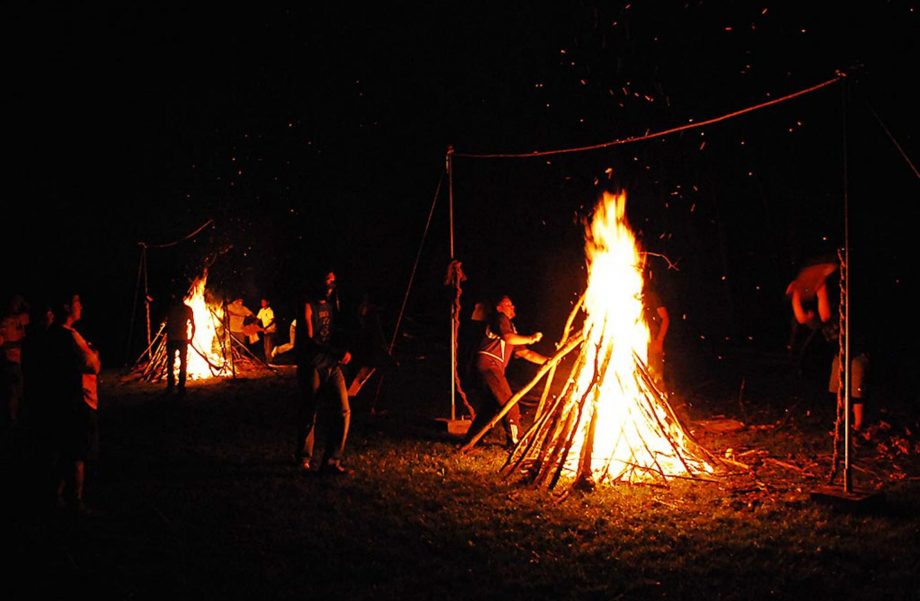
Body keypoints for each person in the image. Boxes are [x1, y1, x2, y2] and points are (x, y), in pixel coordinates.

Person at [27, 292, 100, 514]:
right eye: (78, 302)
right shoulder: (69, 336)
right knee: (77, 451)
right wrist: (94, 353)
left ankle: (56, 497)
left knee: (61, 448)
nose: (81, 306)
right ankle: (76, 500)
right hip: (78, 400)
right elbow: (92, 365)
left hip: (60, 400)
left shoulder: (50, 335)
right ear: (67, 307)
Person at [787, 260, 868, 431]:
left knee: (856, 390)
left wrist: (820, 285)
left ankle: (858, 424)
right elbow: (802, 318)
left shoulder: (835, 307)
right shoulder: (818, 315)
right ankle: (843, 420)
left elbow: (825, 314)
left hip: (856, 353)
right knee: (837, 389)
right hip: (839, 354)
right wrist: (796, 295)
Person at [464, 295, 548, 448]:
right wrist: (531, 338)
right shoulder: (500, 318)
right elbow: (508, 338)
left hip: (492, 368)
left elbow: (525, 353)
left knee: (491, 408)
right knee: (510, 404)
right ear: (499, 308)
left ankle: (472, 440)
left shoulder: (510, 327)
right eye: (508, 304)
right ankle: (516, 441)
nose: (512, 307)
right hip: (489, 366)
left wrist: (548, 360)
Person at [293, 277, 352, 475]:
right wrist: (335, 352)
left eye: (333, 282)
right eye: (327, 281)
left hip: (331, 365)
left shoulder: (332, 305)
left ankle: (332, 461)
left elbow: (335, 332)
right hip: (312, 365)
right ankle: (304, 458)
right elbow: (309, 340)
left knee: (343, 410)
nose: (330, 286)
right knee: (310, 410)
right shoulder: (307, 306)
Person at [165, 292, 196, 396]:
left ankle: (171, 385)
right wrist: (191, 338)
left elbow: (166, 323)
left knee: (171, 362)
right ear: (183, 298)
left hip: (172, 339)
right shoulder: (187, 309)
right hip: (182, 339)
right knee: (182, 363)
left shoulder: (170, 308)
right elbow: (193, 325)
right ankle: (181, 386)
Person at [642, 274, 670, 389]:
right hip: (639, 341)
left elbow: (665, 318)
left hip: (653, 340)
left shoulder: (651, 295)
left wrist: (659, 340)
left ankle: (658, 395)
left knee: (655, 374)